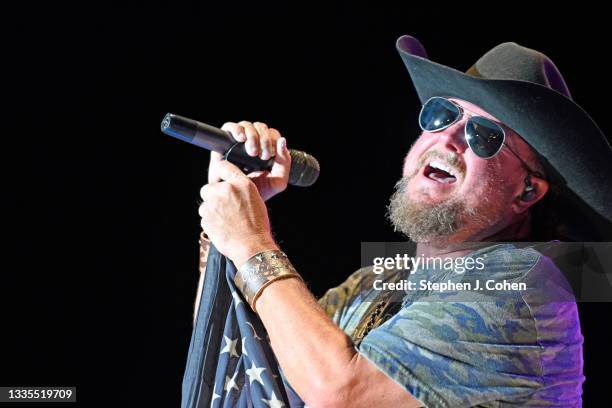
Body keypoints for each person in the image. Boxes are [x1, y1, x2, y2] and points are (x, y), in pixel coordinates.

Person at [196, 35, 612, 406]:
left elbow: (340, 392)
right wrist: (225, 226)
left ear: (527, 191)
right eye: (443, 116)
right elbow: (251, 357)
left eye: (483, 136)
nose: (448, 138)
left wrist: (252, 242)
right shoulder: (374, 283)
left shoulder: (526, 285)